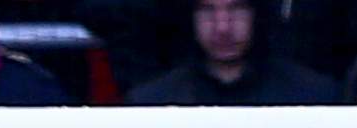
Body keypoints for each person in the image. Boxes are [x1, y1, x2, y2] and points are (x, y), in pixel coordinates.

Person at [126, 0, 335, 106]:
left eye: (237, 8)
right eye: (207, 10)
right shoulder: (151, 103)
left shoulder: (314, 97)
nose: (222, 27)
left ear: (257, 13)